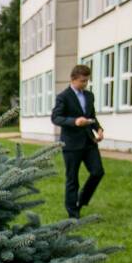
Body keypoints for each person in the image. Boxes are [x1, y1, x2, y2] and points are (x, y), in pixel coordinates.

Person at [51, 64, 105, 219]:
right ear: (73, 79)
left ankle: (81, 200)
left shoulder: (89, 96)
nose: (85, 84)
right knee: (72, 179)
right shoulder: (63, 97)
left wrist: (99, 129)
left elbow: (91, 116)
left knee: (97, 172)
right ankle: (73, 214)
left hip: (89, 142)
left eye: (87, 81)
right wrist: (74, 121)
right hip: (71, 144)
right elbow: (56, 118)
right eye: (82, 81)